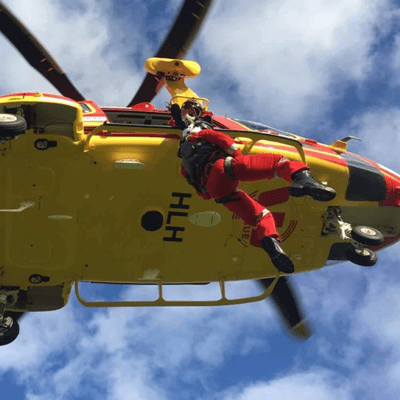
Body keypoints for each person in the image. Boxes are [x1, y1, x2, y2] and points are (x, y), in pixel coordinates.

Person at [171, 100, 336, 274]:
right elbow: (220, 138)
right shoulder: (202, 134)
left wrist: (210, 189)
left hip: (217, 192)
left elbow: (198, 189)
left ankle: (271, 243)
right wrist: (237, 157)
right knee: (277, 163)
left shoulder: (185, 160)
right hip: (222, 169)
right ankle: (303, 180)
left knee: (261, 216)